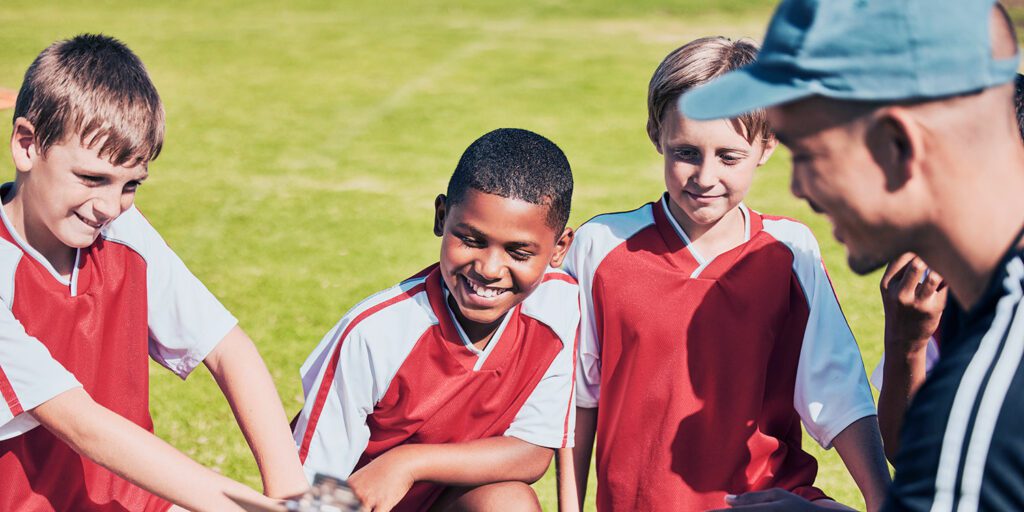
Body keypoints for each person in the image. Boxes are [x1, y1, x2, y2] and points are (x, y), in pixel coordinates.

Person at [682, 0, 1024, 510]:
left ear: (897, 146)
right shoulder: (982, 320)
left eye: (812, 155)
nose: (800, 189)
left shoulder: (992, 380)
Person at [567, 36, 889, 512]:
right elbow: (578, 399)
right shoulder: (601, 246)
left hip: (765, 502)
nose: (706, 176)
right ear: (657, 134)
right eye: (686, 152)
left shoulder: (789, 251)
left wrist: (885, 501)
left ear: (767, 144)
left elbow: (839, 394)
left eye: (729, 156)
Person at [0, 34, 308, 510]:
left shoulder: (124, 231)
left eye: (130, 185)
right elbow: (79, 421)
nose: (108, 206)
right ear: (26, 145)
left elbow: (228, 351)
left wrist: (294, 497)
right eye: (92, 178)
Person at [292, 128, 578, 512]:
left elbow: (532, 451)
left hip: (441, 501)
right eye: (472, 240)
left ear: (559, 248)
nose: (490, 268)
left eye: (518, 252)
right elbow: (309, 488)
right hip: (352, 507)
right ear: (442, 217)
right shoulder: (376, 332)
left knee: (508, 503)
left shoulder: (560, 309)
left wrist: (408, 462)